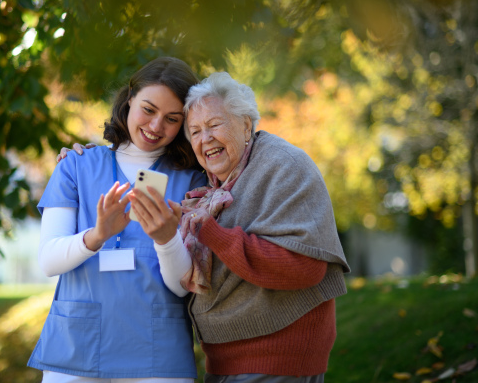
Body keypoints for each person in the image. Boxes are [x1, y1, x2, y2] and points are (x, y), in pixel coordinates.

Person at [129, 72, 350, 383]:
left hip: (276, 359)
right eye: (194, 131)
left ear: (247, 124)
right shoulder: (212, 184)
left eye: (214, 125)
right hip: (224, 362)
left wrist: (210, 231)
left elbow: (304, 267)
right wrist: (88, 154)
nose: (204, 139)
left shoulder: (283, 165)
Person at [28, 57, 208, 383]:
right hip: (76, 347)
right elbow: (48, 261)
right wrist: (96, 235)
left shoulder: (192, 182)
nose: (156, 127)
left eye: (172, 118)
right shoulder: (76, 165)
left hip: (157, 349)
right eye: (149, 110)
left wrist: (167, 238)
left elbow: (183, 287)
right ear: (128, 101)